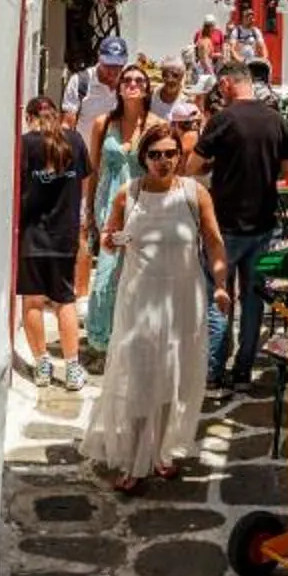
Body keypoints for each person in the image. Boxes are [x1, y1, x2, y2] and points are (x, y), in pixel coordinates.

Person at [86, 121, 230, 492]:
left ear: (180, 156)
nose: (163, 161)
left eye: (170, 154)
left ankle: (162, 452)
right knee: (139, 379)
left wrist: (221, 284)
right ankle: (136, 458)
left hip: (183, 300)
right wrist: (112, 240)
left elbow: (213, 243)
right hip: (139, 301)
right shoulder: (127, 194)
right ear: (143, 158)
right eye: (155, 154)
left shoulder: (194, 194)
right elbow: (106, 240)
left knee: (171, 378)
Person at [195, 63, 288, 391]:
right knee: (253, 300)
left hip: (224, 226)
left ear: (226, 83)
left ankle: (214, 370)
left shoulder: (223, 120)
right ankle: (243, 370)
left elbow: (192, 165)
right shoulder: (277, 121)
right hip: (264, 225)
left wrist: (217, 164)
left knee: (218, 296)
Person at [82, 64, 157, 359]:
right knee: (106, 277)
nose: (133, 84)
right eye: (127, 80)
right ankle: (102, 341)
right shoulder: (103, 123)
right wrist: (88, 210)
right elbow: (93, 169)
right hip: (109, 210)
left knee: (139, 277)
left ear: (147, 88)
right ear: (119, 88)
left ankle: (136, 341)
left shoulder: (157, 125)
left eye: (139, 80)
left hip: (144, 210)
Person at [15, 98, 85, 390]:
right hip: (64, 235)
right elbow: (82, 180)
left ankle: (42, 364)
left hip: (33, 235)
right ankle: (71, 369)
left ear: (30, 117)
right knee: (64, 301)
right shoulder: (75, 140)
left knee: (32, 300)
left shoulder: (26, 144)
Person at [62, 34, 132, 138]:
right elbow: (67, 124)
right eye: (108, 64)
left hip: (116, 152)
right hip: (85, 152)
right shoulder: (80, 82)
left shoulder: (128, 84)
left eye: (118, 65)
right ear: (99, 58)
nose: (112, 71)